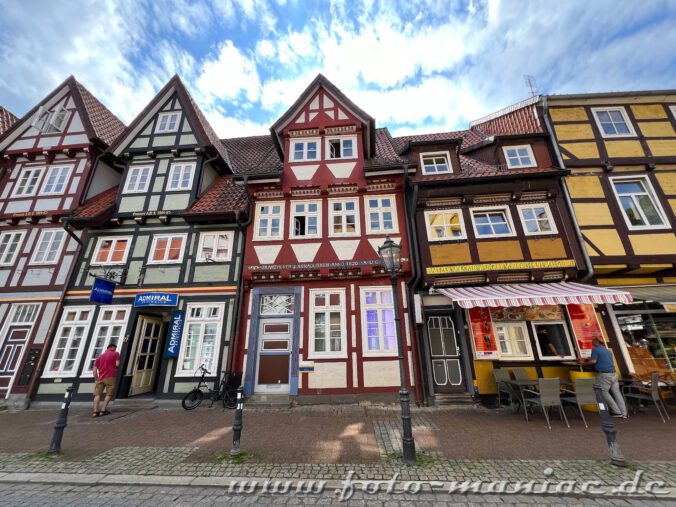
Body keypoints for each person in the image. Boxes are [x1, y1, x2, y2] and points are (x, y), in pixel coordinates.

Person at [584, 338, 627, 418]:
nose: (591, 344)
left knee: (603, 392)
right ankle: (624, 413)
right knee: (617, 393)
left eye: (592, 343)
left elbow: (593, 361)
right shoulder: (607, 351)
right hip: (614, 374)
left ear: (595, 343)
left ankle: (616, 411)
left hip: (604, 375)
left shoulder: (595, 350)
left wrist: (585, 363)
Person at [92, 343, 120, 418]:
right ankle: (103, 410)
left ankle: (95, 411)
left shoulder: (99, 357)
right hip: (110, 376)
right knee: (109, 393)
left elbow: (94, 370)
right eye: (115, 348)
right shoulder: (115, 353)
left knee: (97, 394)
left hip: (100, 377)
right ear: (113, 348)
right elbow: (117, 364)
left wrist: (96, 379)